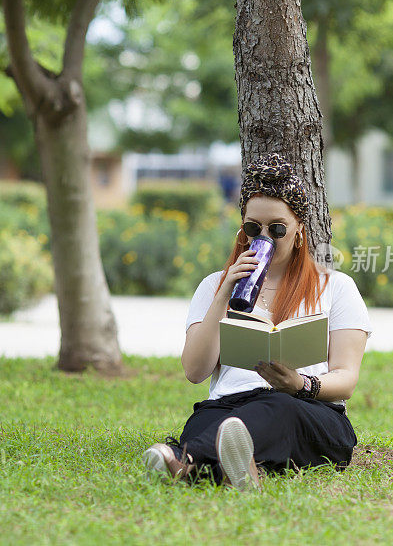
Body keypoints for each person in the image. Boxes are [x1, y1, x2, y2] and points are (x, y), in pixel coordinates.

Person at [142, 153, 373, 490]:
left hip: (306, 407)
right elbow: (194, 371)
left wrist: (300, 383)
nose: (264, 237)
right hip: (228, 403)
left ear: (299, 230)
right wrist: (224, 295)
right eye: (253, 228)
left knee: (277, 407)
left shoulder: (335, 287)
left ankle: (185, 462)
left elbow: (346, 378)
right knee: (205, 420)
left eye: (277, 229)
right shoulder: (213, 286)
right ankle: (240, 465)